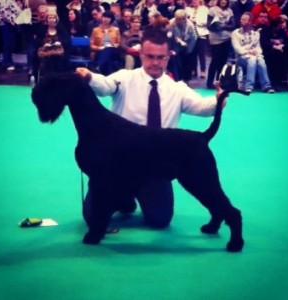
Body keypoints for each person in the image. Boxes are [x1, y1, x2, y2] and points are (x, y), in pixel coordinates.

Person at [76, 29, 226, 231]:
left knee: (160, 219)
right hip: (118, 163)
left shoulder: (177, 88)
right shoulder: (124, 78)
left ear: (168, 57)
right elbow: (104, 85)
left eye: (161, 57)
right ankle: (124, 199)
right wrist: (89, 77)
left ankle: (126, 197)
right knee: (92, 217)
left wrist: (218, 99)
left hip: (156, 163)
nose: (155, 62)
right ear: (141, 55)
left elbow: (202, 107)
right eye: (150, 57)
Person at [231, 12, 275, 93]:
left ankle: (266, 87)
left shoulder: (255, 34)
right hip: (241, 58)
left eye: (244, 20)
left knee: (261, 61)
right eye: (241, 19)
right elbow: (237, 48)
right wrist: (248, 51)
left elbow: (259, 48)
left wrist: (256, 52)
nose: (241, 21)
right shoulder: (235, 33)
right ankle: (249, 87)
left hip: (254, 56)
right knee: (252, 59)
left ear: (249, 22)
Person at [206, 0, 235, 89]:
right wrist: (217, 26)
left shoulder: (230, 11)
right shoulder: (212, 10)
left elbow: (233, 25)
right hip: (215, 39)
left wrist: (224, 26)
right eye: (222, 0)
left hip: (226, 39)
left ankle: (220, 82)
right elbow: (208, 25)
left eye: (225, 0)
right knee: (215, 61)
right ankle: (209, 82)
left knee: (223, 61)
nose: (223, 1)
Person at [89, 10, 121, 75]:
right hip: (100, 51)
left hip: (113, 51)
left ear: (111, 19)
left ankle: (98, 67)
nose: (106, 19)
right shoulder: (95, 30)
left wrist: (114, 45)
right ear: (102, 18)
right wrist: (99, 48)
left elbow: (119, 43)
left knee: (108, 49)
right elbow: (91, 45)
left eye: (108, 17)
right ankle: (108, 76)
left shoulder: (116, 30)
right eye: (104, 17)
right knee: (107, 60)